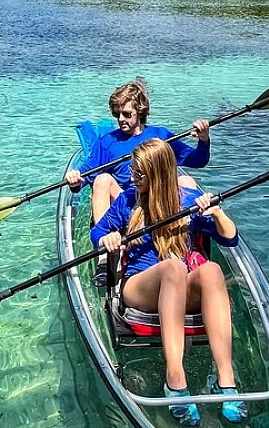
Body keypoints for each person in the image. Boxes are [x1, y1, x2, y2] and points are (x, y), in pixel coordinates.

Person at [90, 138, 247, 427]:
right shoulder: (127, 201)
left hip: (178, 287)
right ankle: (175, 379)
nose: (133, 178)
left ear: (158, 174)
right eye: (133, 171)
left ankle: (227, 384)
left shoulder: (187, 202)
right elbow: (98, 232)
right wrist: (107, 238)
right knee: (174, 268)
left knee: (211, 270)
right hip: (139, 288)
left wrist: (217, 211)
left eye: (139, 173)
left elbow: (230, 238)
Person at [66, 81, 211, 287]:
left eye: (126, 114)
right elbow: (85, 174)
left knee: (186, 180)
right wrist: (75, 179)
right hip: (126, 203)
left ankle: (196, 240)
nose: (120, 120)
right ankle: (105, 258)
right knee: (101, 179)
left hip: (159, 201)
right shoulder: (107, 141)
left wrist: (204, 140)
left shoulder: (160, 136)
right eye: (117, 114)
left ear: (140, 111)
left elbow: (197, 160)